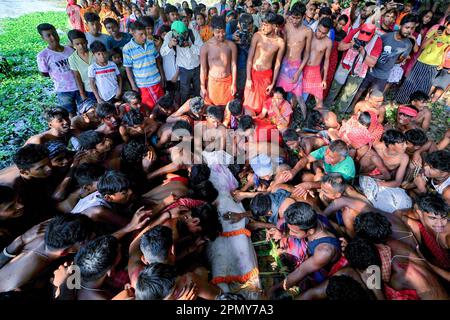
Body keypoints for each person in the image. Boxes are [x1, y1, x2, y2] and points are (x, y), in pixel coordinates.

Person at [267, 202, 341, 297]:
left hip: (321, 270)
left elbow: (301, 271)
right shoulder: (313, 218)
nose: (290, 232)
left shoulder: (324, 251)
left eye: (293, 231)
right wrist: (283, 234)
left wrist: (275, 288)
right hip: (312, 256)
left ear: (310, 231)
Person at [352, 14, 416, 106]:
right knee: (360, 90)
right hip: (370, 69)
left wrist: (390, 61)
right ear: (400, 26)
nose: (409, 30)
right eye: (407, 27)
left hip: (383, 75)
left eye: (412, 28)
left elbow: (400, 59)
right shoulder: (386, 36)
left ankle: (363, 112)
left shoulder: (408, 44)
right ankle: (351, 108)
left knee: (373, 97)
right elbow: (374, 49)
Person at [325, 23, 382, 114]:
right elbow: (340, 47)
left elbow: (372, 63)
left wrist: (362, 51)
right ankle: (325, 107)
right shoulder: (355, 32)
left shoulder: (377, 41)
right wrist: (350, 45)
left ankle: (339, 113)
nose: (362, 39)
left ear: (372, 35)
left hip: (359, 72)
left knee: (348, 94)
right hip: (345, 66)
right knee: (334, 88)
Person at [396, 15, 450, 104]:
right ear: (446, 24)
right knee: (411, 82)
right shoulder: (435, 31)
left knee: (425, 86)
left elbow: (446, 51)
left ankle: (415, 104)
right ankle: (401, 101)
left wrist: (442, 62)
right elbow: (423, 46)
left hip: (435, 65)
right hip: (423, 61)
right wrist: (434, 36)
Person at [243, 12, 285, 116]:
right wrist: (248, 78)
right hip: (253, 75)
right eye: (262, 24)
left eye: (266, 25)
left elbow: (277, 64)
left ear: (274, 26)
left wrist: (272, 83)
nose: (263, 27)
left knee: (263, 106)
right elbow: (250, 58)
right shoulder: (257, 36)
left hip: (266, 77)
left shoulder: (280, 42)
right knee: (249, 105)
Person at [276, 3, 312, 119]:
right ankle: (280, 116)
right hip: (284, 64)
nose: (295, 21)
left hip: (296, 66)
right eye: (293, 17)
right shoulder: (287, 25)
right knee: (279, 93)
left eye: (298, 18)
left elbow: (307, 54)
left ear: (303, 17)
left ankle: (304, 120)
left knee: (299, 96)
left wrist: (298, 72)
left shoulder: (308, 31)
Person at [37, 23, 80, 117]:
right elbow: (44, 73)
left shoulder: (69, 50)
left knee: (86, 111)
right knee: (70, 114)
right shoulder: (43, 56)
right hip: (63, 90)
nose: (53, 37)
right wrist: (58, 76)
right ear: (43, 38)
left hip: (79, 86)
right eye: (48, 35)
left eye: (54, 33)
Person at [123, 21, 164, 110]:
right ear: (133, 33)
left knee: (162, 107)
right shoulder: (127, 49)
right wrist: (133, 85)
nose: (144, 37)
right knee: (148, 109)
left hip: (156, 81)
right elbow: (128, 69)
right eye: (141, 34)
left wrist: (162, 76)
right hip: (143, 85)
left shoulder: (150, 43)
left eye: (145, 34)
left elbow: (158, 61)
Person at [161, 20, 203, 104]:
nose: (183, 36)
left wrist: (190, 45)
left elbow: (202, 50)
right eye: (180, 34)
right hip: (183, 68)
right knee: (185, 91)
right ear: (174, 32)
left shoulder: (193, 33)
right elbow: (162, 52)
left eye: (185, 33)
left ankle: (198, 107)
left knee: (198, 89)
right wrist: (170, 45)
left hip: (196, 66)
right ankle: (185, 108)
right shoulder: (169, 36)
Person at [200, 16, 237, 106]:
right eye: (218, 32)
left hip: (227, 82)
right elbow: (203, 69)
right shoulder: (206, 47)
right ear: (212, 30)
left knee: (228, 107)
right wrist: (202, 87)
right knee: (213, 108)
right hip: (213, 82)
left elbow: (233, 65)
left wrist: (234, 84)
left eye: (223, 31)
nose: (221, 34)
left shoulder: (231, 45)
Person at [281, 139, 356, 183]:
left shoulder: (346, 170)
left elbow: (332, 186)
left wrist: (309, 185)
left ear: (341, 158)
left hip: (336, 185)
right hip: (326, 173)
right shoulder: (326, 149)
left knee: (312, 179)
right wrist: (293, 171)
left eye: (331, 157)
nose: (326, 156)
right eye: (326, 153)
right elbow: (306, 159)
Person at [302, 17, 332, 110]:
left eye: (324, 33)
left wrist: (324, 79)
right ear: (317, 25)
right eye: (319, 31)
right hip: (302, 67)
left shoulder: (328, 42)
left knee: (319, 99)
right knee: (296, 93)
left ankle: (316, 118)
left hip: (315, 71)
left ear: (328, 32)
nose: (320, 34)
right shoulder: (309, 34)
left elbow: (326, 60)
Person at [68, 30, 96, 102]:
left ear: (86, 41)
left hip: (103, 86)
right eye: (77, 44)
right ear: (72, 45)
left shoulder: (95, 52)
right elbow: (77, 77)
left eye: (83, 43)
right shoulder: (72, 59)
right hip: (89, 89)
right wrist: (82, 93)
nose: (81, 46)